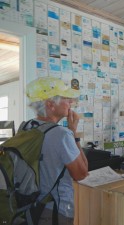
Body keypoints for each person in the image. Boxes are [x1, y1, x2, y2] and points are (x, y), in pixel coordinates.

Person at [26, 77, 88, 225]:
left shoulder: (26, 127)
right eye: (66, 98)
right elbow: (82, 173)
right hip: (55, 210)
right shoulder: (62, 134)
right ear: (50, 104)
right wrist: (73, 133)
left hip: (30, 206)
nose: (71, 102)